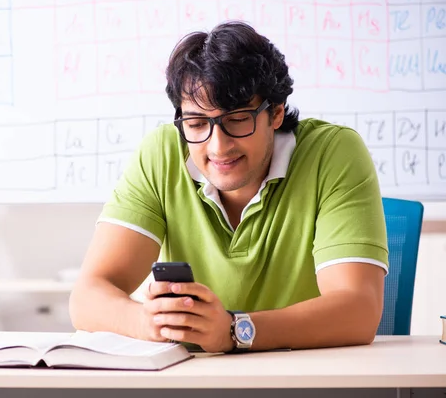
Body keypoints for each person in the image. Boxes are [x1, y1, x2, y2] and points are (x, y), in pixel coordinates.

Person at [69, 20, 388, 353]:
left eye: (237, 120)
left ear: (275, 113)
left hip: (303, 378)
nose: (218, 147)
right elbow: (88, 297)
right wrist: (149, 322)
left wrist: (237, 331)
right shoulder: (162, 153)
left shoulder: (333, 153)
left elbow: (358, 310)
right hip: (194, 381)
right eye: (196, 123)